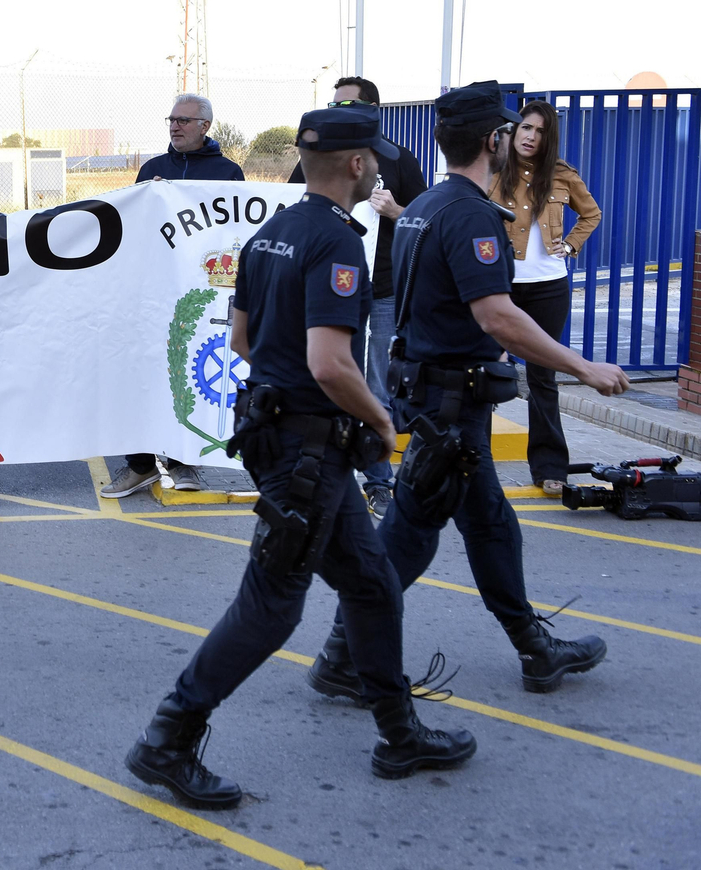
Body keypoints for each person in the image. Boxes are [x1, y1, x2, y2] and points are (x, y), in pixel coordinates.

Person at [125, 106, 474, 811]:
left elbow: (242, 340)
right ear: (356, 165)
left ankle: (398, 732)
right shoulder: (338, 241)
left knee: (371, 583)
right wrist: (380, 420)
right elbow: (330, 362)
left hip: (290, 441)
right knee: (272, 607)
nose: (377, 169)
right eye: (373, 159)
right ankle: (168, 737)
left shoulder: (270, 234)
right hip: (307, 452)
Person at [306, 82, 630, 702]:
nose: (512, 139)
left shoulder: (426, 205)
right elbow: (496, 316)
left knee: (487, 525)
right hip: (449, 408)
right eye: (507, 131)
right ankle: (344, 654)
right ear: (493, 140)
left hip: (442, 402)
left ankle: (533, 648)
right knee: (412, 536)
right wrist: (582, 366)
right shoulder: (471, 215)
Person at [287, 77, 428, 519]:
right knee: (332, 379)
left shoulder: (399, 159)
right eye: (332, 105)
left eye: (345, 105)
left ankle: (379, 481)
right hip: (331, 292)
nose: (336, 111)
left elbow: (424, 222)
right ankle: (326, 474)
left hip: (383, 290)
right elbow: (289, 202)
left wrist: (395, 211)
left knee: (377, 387)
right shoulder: (323, 157)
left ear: (372, 110)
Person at [105, 93, 243, 499]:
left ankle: (185, 463)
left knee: (189, 376)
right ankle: (140, 465)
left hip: (201, 292)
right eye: (171, 119)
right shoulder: (153, 170)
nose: (175, 126)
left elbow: (235, 230)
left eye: (183, 120)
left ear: (205, 126)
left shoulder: (227, 172)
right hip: (153, 291)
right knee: (144, 374)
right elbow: (133, 225)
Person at [488, 100, 601, 497]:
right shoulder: (493, 170)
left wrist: (569, 246)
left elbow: (591, 214)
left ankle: (550, 468)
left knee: (542, 377)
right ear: (514, 130)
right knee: (481, 370)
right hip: (500, 286)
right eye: (525, 128)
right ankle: (470, 460)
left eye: (539, 131)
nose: (531, 136)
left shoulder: (562, 174)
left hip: (548, 287)